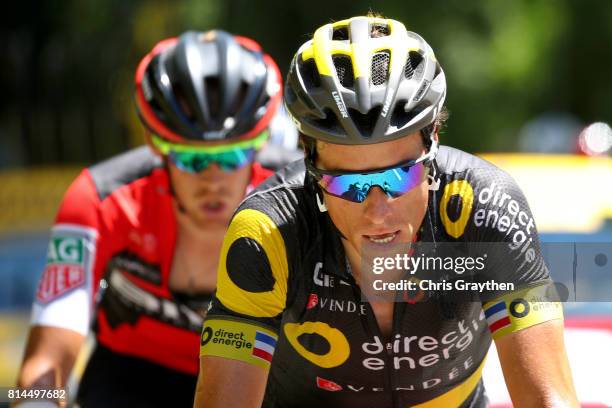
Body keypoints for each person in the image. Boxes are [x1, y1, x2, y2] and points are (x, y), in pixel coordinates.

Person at [195, 16, 579, 408]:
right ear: (310, 161)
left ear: (433, 142)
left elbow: (548, 398)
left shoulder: (484, 209)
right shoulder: (267, 232)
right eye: (348, 184)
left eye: (400, 177)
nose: (378, 212)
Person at [16, 29, 298, 407]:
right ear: (155, 146)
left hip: (256, 371)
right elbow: (45, 362)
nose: (212, 178)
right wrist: (35, 401)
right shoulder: (98, 199)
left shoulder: (300, 196)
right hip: (133, 376)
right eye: (191, 159)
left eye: (232, 157)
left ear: (261, 144)